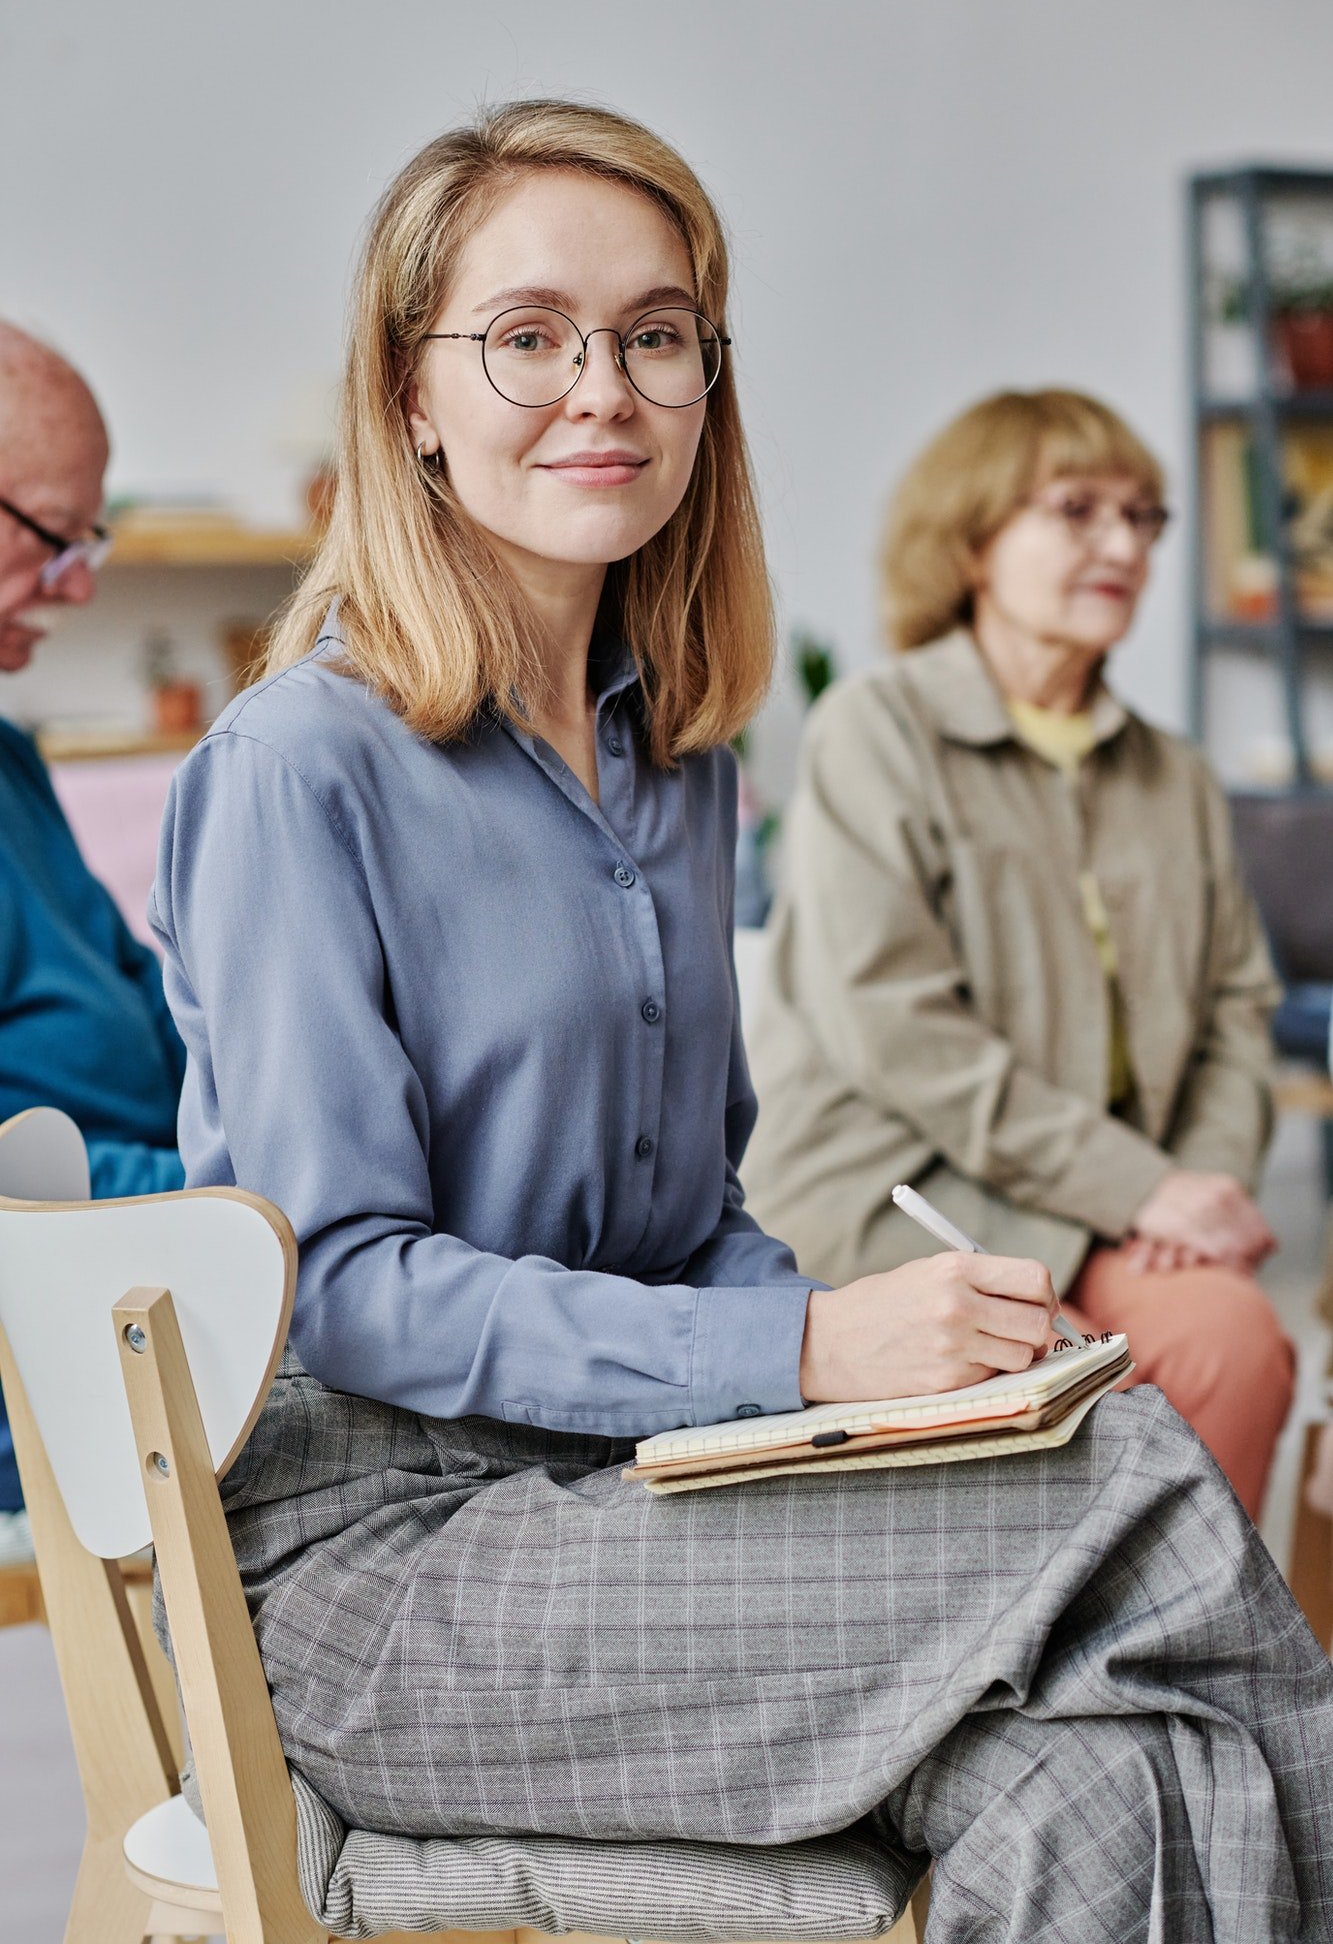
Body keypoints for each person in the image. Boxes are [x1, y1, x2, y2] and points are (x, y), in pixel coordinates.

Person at [150, 108, 1333, 1942]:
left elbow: (696, 1208)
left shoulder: (680, 764)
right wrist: (799, 1351)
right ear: (410, 394)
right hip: (387, 1573)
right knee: (1130, 1466)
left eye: (656, 333)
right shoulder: (299, 768)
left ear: (709, 380)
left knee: (1104, 1775)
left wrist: (885, 1386)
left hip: (634, 1505)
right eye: (528, 336)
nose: (601, 389)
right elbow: (346, 1284)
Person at [745, 388, 1294, 1524]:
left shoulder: (1174, 773)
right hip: (913, 1198)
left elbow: (1237, 1009)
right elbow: (898, 1027)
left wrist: (1198, 1187)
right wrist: (1150, 1187)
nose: (1122, 544)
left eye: (1144, 518)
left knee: (1230, 1339)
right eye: (1078, 508)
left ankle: (1182, 1677)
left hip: (1106, 1209)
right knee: (1026, 1397)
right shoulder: (875, 730)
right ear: (973, 536)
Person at [0, 325, 186, 1560]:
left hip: (148, 1262)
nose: (80, 584)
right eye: (55, 537)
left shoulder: (11, 763)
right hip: (48, 1315)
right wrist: (246, 1197)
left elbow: (154, 1011)